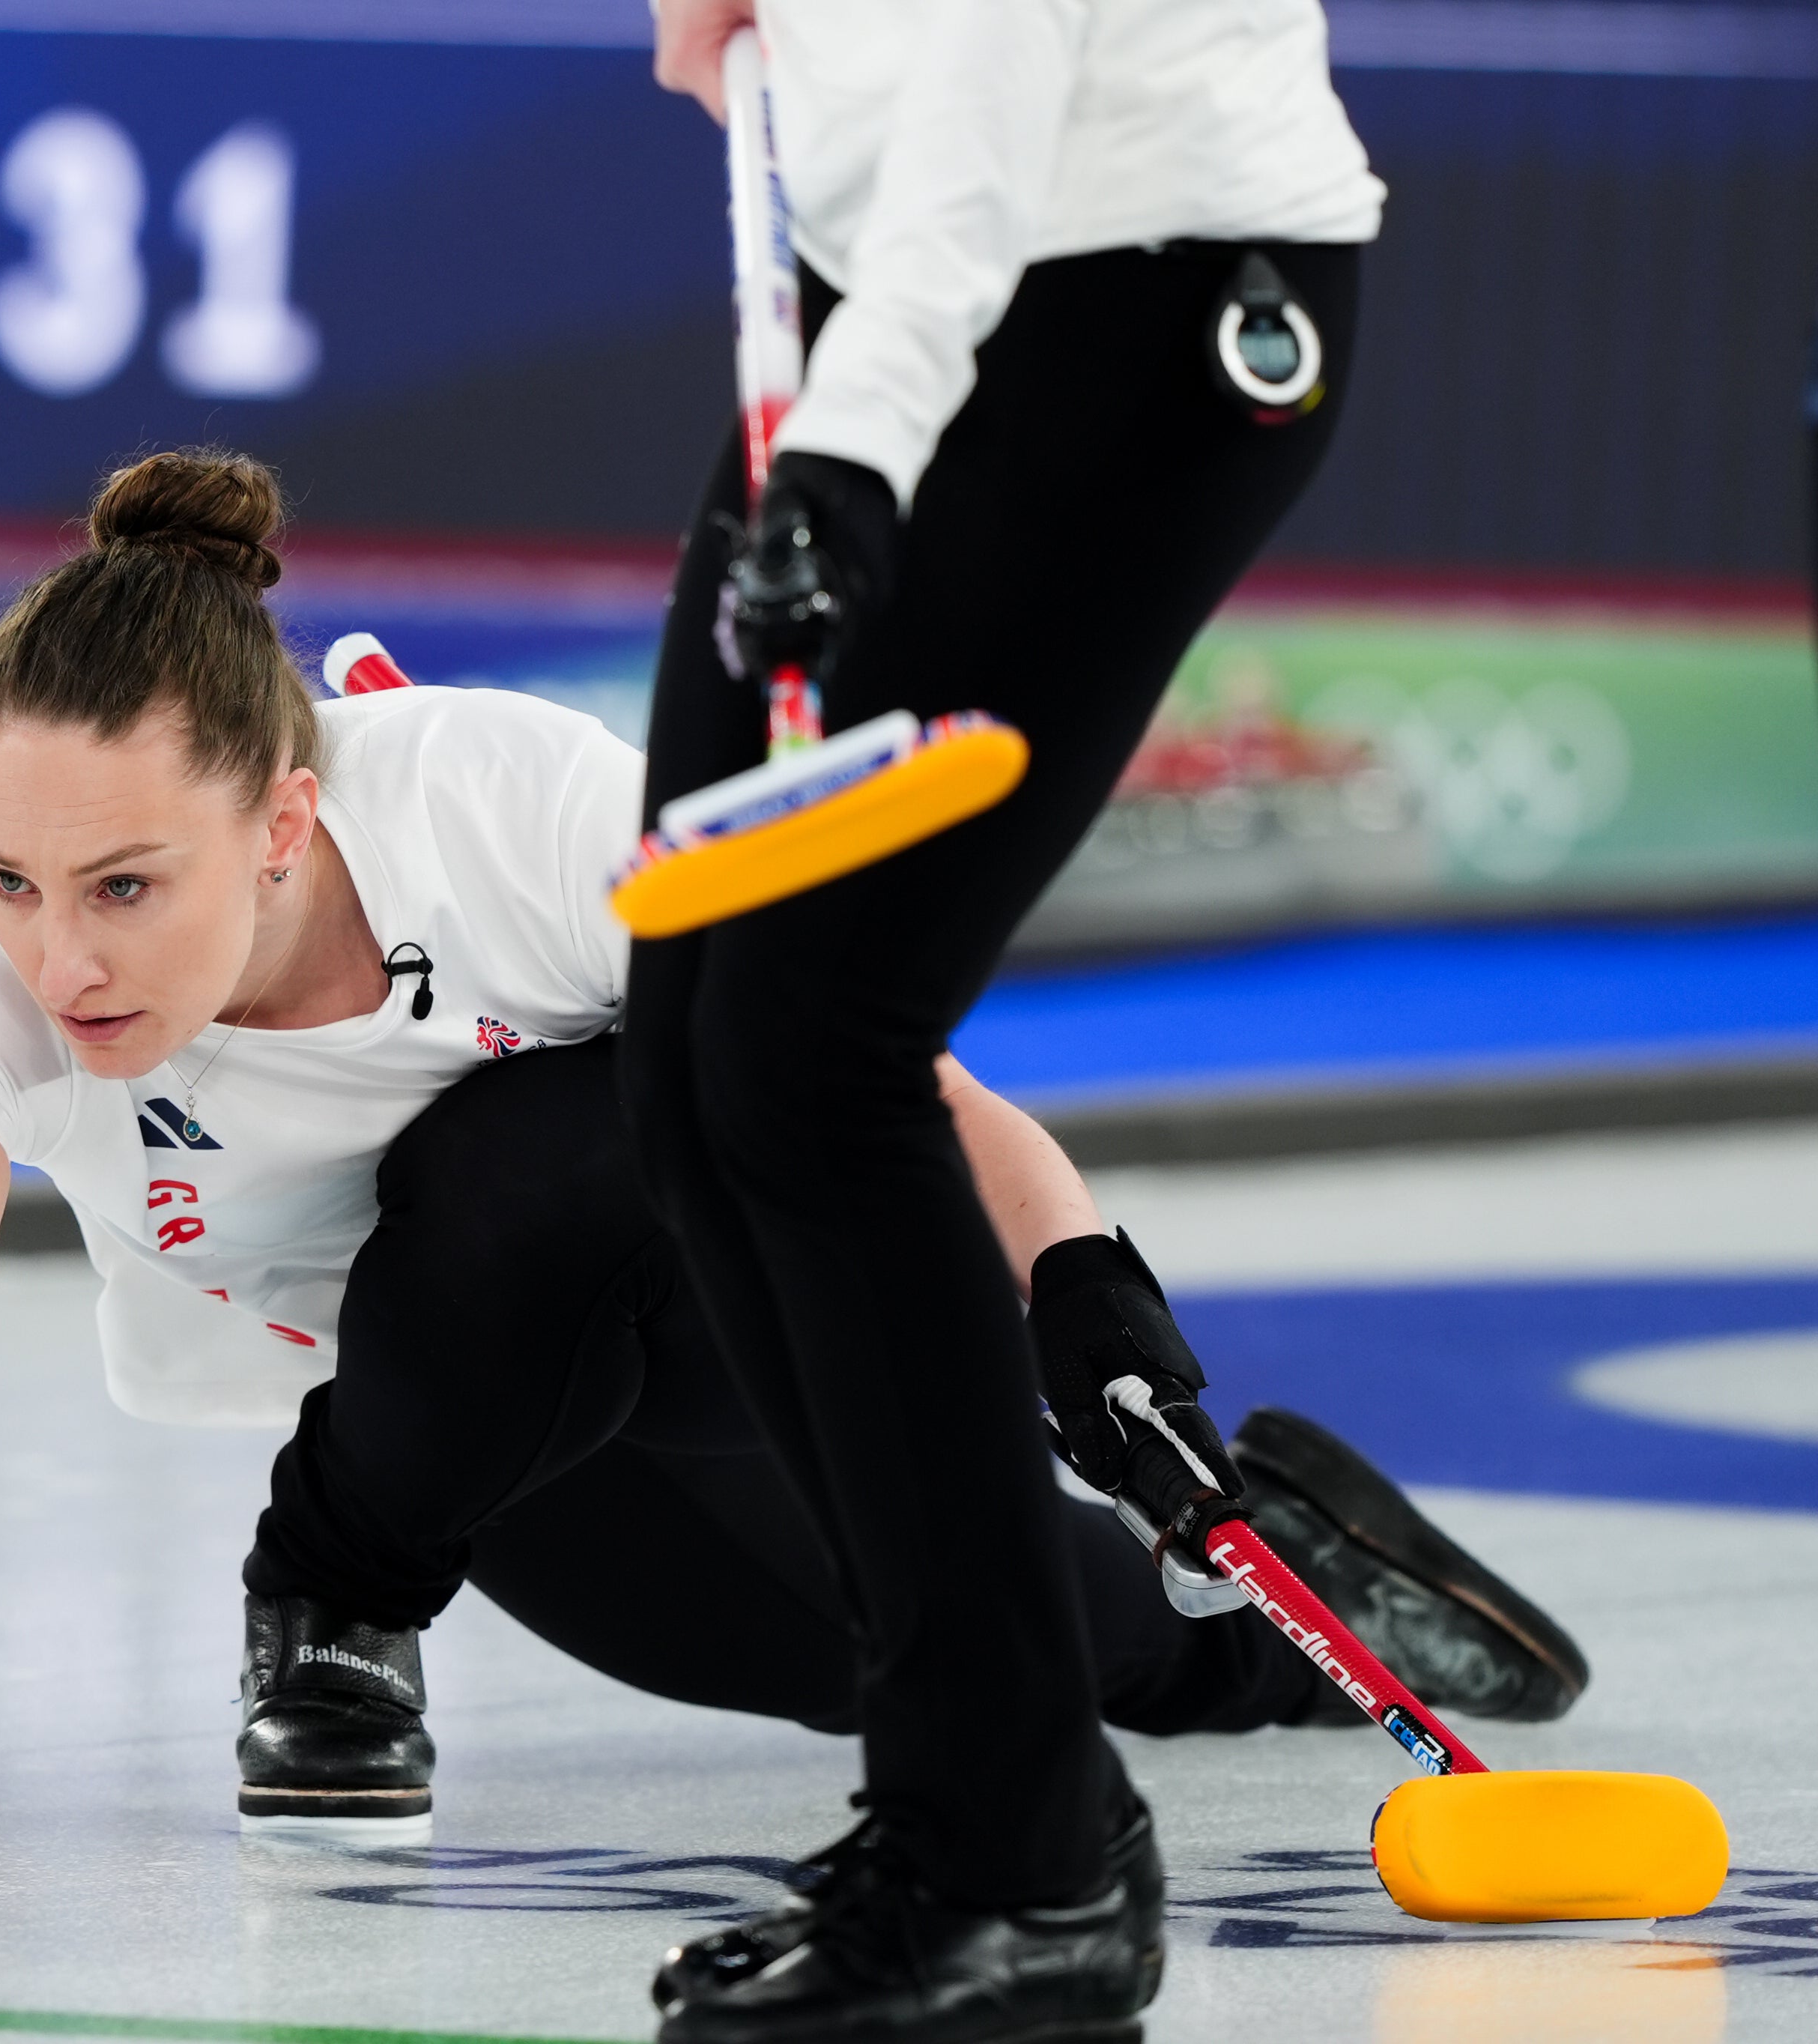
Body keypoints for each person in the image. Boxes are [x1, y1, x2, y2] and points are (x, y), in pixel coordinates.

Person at [0, 450, 1581, 1857]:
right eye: (8, 876)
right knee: (888, 1649)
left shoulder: (516, 808)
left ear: (278, 817)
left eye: (121, 883)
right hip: (445, 1426)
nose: (56, 953)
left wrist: (1098, 1330)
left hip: (689, 1261)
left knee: (549, 1155)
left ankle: (331, 1606)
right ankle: (1252, 1598)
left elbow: (885, 1086)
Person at [619, 0, 1394, 2032]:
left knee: (812, 1049)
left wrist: (854, 460)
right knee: (695, 1051)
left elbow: (980, 85)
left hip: (1132, 292)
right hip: (907, 277)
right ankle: (982, 1784)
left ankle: (1019, 1855)